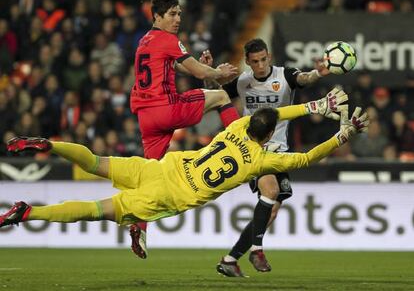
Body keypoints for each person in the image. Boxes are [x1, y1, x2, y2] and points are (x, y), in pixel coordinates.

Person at [1, 91, 368, 255]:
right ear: (269, 135)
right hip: (166, 196)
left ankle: (51, 144)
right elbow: (305, 158)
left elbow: (274, 116)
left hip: (158, 168)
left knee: (96, 161)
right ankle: (30, 211)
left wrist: (310, 107)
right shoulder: (261, 162)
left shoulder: (236, 127)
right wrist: (342, 134)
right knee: (95, 210)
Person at [128, 0, 240, 259]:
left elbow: (171, 66)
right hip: (166, 109)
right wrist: (218, 73)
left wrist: (196, 67)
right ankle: (244, 141)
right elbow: (202, 74)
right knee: (222, 95)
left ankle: (138, 228)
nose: (178, 19)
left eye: (179, 13)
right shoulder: (168, 39)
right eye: (172, 14)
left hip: (146, 118)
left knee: (149, 175)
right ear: (157, 16)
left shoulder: (145, 41)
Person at [214, 38, 332, 275]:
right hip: (253, 149)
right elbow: (215, 96)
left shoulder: (284, 75)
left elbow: (304, 79)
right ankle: (256, 250)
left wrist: (317, 74)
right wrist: (209, 76)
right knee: (270, 192)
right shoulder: (242, 82)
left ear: (269, 56)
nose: (260, 65)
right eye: (254, 61)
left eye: (263, 59)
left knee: (271, 212)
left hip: (280, 150)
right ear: (247, 61)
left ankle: (230, 259)